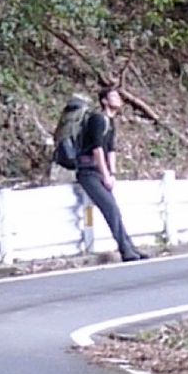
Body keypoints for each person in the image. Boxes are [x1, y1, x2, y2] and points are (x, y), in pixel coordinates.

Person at [69, 75, 146, 260]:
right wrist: (105, 175)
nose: (118, 100)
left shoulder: (110, 122)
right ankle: (125, 250)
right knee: (110, 207)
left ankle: (129, 247)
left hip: (99, 171)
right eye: (114, 97)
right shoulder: (97, 119)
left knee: (114, 209)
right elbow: (97, 149)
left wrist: (112, 174)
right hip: (88, 171)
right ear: (104, 101)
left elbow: (110, 149)